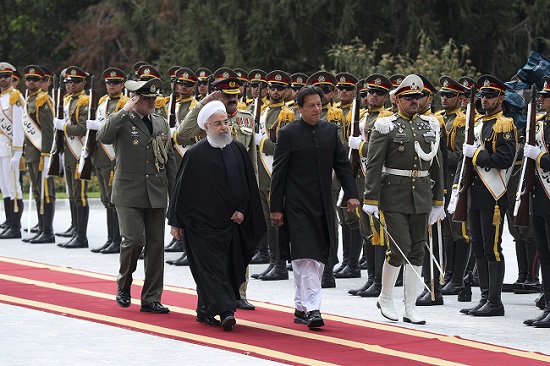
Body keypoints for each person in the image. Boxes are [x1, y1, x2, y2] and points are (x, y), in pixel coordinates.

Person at [168, 100, 266, 331]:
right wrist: (176, 221)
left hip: (232, 224)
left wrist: (243, 209)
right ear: (206, 127)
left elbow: (248, 185)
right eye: (218, 124)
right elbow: (181, 191)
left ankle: (205, 310)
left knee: (229, 268)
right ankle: (226, 311)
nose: (224, 128)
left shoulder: (237, 150)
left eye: (225, 123)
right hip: (202, 228)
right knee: (213, 271)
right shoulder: (195, 155)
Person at [270, 86, 360, 328]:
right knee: (305, 256)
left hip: (322, 203)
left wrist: (351, 194)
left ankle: (301, 305)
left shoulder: (330, 131)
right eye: (311, 106)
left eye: (320, 104)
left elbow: (342, 165)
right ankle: (313, 308)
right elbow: (278, 172)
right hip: (296, 204)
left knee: (318, 257)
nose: (317, 109)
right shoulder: (288, 133)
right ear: (299, 108)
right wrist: (276, 207)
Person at [363, 74, 444, 325]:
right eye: (408, 97)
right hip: (394, 196)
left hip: (420, 195)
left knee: (417, 251)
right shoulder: (386, 126)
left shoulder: (428, 126)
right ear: (397, 100)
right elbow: (374, 165)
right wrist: (371, 199)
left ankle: (410, 306)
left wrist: (438, 201)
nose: (414, 101)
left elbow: (436, 165)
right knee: (399, 249)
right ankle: (386, 297)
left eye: (417, 97)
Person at [178, 67, 258, 310]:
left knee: (239, 242)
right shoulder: (206, 117)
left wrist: (250, 195)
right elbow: (182, 135)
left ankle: (239, 292)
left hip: (237, 191)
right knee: (212, 249)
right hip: (211, 193)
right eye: (226, 95)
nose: (232, 98)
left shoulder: (246, 118)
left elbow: (251, 159)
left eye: (235, 94)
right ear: (217, 95)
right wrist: (203, 104)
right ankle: (211, 295)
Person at [97, 77, 177, 314]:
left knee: (155, 246)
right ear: (135, 99)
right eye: (146, 99)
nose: (152, 103)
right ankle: (124, 284)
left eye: (154, 98)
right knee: (133, 240)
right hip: (129, 193)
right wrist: (125, 110)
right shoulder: (122, 120)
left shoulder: (161, 123)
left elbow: (169, 160)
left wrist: (175, 196)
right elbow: (103, 136)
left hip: (156, 192)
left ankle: (151, 297)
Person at [448, 74, 517, 317]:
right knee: (478, 247)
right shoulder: (477, 124)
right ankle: (485, 297)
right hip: (475, 194)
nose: (484, 99)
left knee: (492, 248)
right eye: (482, 95)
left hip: (493, 197)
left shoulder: (504, 124)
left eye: (490, 95)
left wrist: (476, 155)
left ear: (501, 97)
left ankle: (495, 301)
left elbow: (505, 160)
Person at [348, 74, 393, 298]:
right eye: (369, 92)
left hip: (379, 181)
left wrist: (361, 146)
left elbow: (381, 152)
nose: (372, 96)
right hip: (363, 180)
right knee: (366, 231)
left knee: (379, 233)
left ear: (386, 96)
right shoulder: (365, 117)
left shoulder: (387, 120)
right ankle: (370, 278)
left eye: (378, 93)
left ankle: (379, 282)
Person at [253, 70, 295, 282]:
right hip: (261, 172)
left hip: (274, 173)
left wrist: (263, 142)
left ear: (287, 90)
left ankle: (280, 264)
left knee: (277, 219)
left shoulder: (287, 114)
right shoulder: (262, 111)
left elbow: (284, 148)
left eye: (280, 88)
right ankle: (272, 261)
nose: (275, 91)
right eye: (272, 87)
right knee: (267, 220)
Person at [306, 71, 346, 288]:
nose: (322, 96)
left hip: (328, 178)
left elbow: (338, 151)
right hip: (308, 180)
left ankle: (328, 268)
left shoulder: (335, 116)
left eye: (327, 91)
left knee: (330, 224)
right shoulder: (302, 115)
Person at [436, 76, 471, 296]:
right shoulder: (439, 118)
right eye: (443, 94)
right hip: (441, 181)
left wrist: (436, 152)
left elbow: (458, 156)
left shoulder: (460, 121)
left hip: (454, 180)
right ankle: (448, 275)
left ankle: (458, 278)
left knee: (460, 232)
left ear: (460, 98)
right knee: (447, 232)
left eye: (450, 95)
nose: (445, 98)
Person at [88, 67, 129, 254]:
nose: (111, 86)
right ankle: (110, 238)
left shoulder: (125, 102)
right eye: (108, 83)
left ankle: (119, 239)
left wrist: (101, 126)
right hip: (101, 156)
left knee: (115, 200)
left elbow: (123, 127)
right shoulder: (103, 102)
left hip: (115, 156)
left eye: (115, 82)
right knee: (106, 199)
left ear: (122, 84)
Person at [415, 74, 448, 306]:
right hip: (416, 188)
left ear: (430, 97)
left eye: (421, 95)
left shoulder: (435, 123)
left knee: (434, 240)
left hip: (432, 187)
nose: (417, 100)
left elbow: (440, 161)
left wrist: (440, 194)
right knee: (423, 241)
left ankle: (435, 288)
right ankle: (428, 284)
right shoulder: (413, 120)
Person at [522, 75, 550, 327]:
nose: (540, 99)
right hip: (540, 198)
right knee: (545, 254)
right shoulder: (542, 125)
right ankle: (549, 305)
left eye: (545, 96)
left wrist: (539, 157)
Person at [53, 66, 91, 248]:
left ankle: (81, 236)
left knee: (80, 195)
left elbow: (83, 128)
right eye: (68, 82)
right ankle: (75, 229)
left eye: (75, 82)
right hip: (68, 153)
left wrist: (64, 127)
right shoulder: (67, 100)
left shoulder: (84, 101)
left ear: (83, 82)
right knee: (73, 194)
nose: (71, 85)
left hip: (78, 154)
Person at [164, 67, 200, 259]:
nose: (183, 87)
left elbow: (195, 134)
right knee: (175, 202)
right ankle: (178, 239)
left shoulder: (195, 106)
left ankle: (189, 246)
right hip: (172, 161)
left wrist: (176, 135)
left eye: (187, 84)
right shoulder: (171, 104)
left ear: (194, 87)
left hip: (188, 159)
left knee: (189, 203)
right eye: (180, 83)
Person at [332, 72, 362, 280]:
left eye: (348, 89)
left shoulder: (356, 112)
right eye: (340, 88)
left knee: (352, 218)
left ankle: (353, 263)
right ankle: (346, 261)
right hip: (336, 167)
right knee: (342, 217)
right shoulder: (335, 112)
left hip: (351, 166)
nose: (343, 92)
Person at [21, 65, 56, 244]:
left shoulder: (43, 99)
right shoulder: (29, 99)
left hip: (41, 154)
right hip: (31, 153)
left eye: (35, 79)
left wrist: (46, 154)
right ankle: (41, 228)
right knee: (37, 191)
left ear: (41, 81)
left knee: (46, 192)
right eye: (28, 79)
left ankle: (48, 231)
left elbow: (48, 130)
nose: (31, 82)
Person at [0, 62, 25, 239]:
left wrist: (18, 151)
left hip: (11, 149)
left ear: (11, 78)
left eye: (6, 76)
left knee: (14, 187)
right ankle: (9, 223)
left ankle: (15, 227)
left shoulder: (15, 97)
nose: (3, 79)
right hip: (0, 148)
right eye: (0, 76)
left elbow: (18, 125)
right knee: (5, 188)